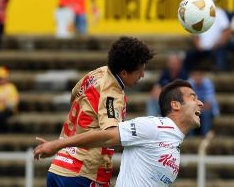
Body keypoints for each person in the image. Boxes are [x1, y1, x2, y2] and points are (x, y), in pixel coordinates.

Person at [34, 79, 204, 187]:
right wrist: (57, 145)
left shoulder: (173, 140)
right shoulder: (154, 127)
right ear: (175, 105)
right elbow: (107, 135)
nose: (201, 103)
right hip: (75, 172)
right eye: (193, 97)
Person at [34, 36, 154, 187]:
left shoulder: (97, 73)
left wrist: (62, 143)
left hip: (60, 166)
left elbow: (74, 95)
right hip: (84, 173)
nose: (142, 75)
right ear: (123, 73)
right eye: (139, 71)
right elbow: (110, 135)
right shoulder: (112, 93)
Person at [183, 0, 234, 72]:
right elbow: (195, 33)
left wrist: (218, 44)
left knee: (220, 55)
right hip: (202, 49)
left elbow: (226, 31)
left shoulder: (219, 13)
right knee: (189, 56)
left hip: (216, 48)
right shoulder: (198, 14)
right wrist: (198, 45)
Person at [188, 67, 220, 137]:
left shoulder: (208, 83)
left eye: (199, 75)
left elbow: (208, 104)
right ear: (192, 76)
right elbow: (188, 102)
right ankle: (191, 139)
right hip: (195, 109)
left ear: (202, 75)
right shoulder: (189, 83)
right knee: (188, 114)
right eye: (195, 75)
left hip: (207, 109)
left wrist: (196, 108)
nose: (197, 77)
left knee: (206, 114)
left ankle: (204, 136)